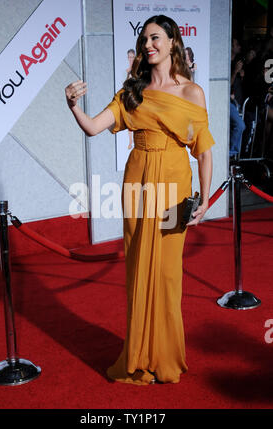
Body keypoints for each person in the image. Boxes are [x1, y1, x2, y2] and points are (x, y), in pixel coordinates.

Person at [65, 15, 214, 385]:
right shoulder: (132, 90)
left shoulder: (191, 92)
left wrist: (205, 200)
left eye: (156, 37)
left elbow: (204, 152)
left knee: (166, 274)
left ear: (173, 41)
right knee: (138, 270)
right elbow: (93, 127)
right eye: (145, 38)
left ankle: (164, 356)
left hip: (175, 188)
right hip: (138, 188)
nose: (149, 44)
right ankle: (138, 355)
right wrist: (72, 106)